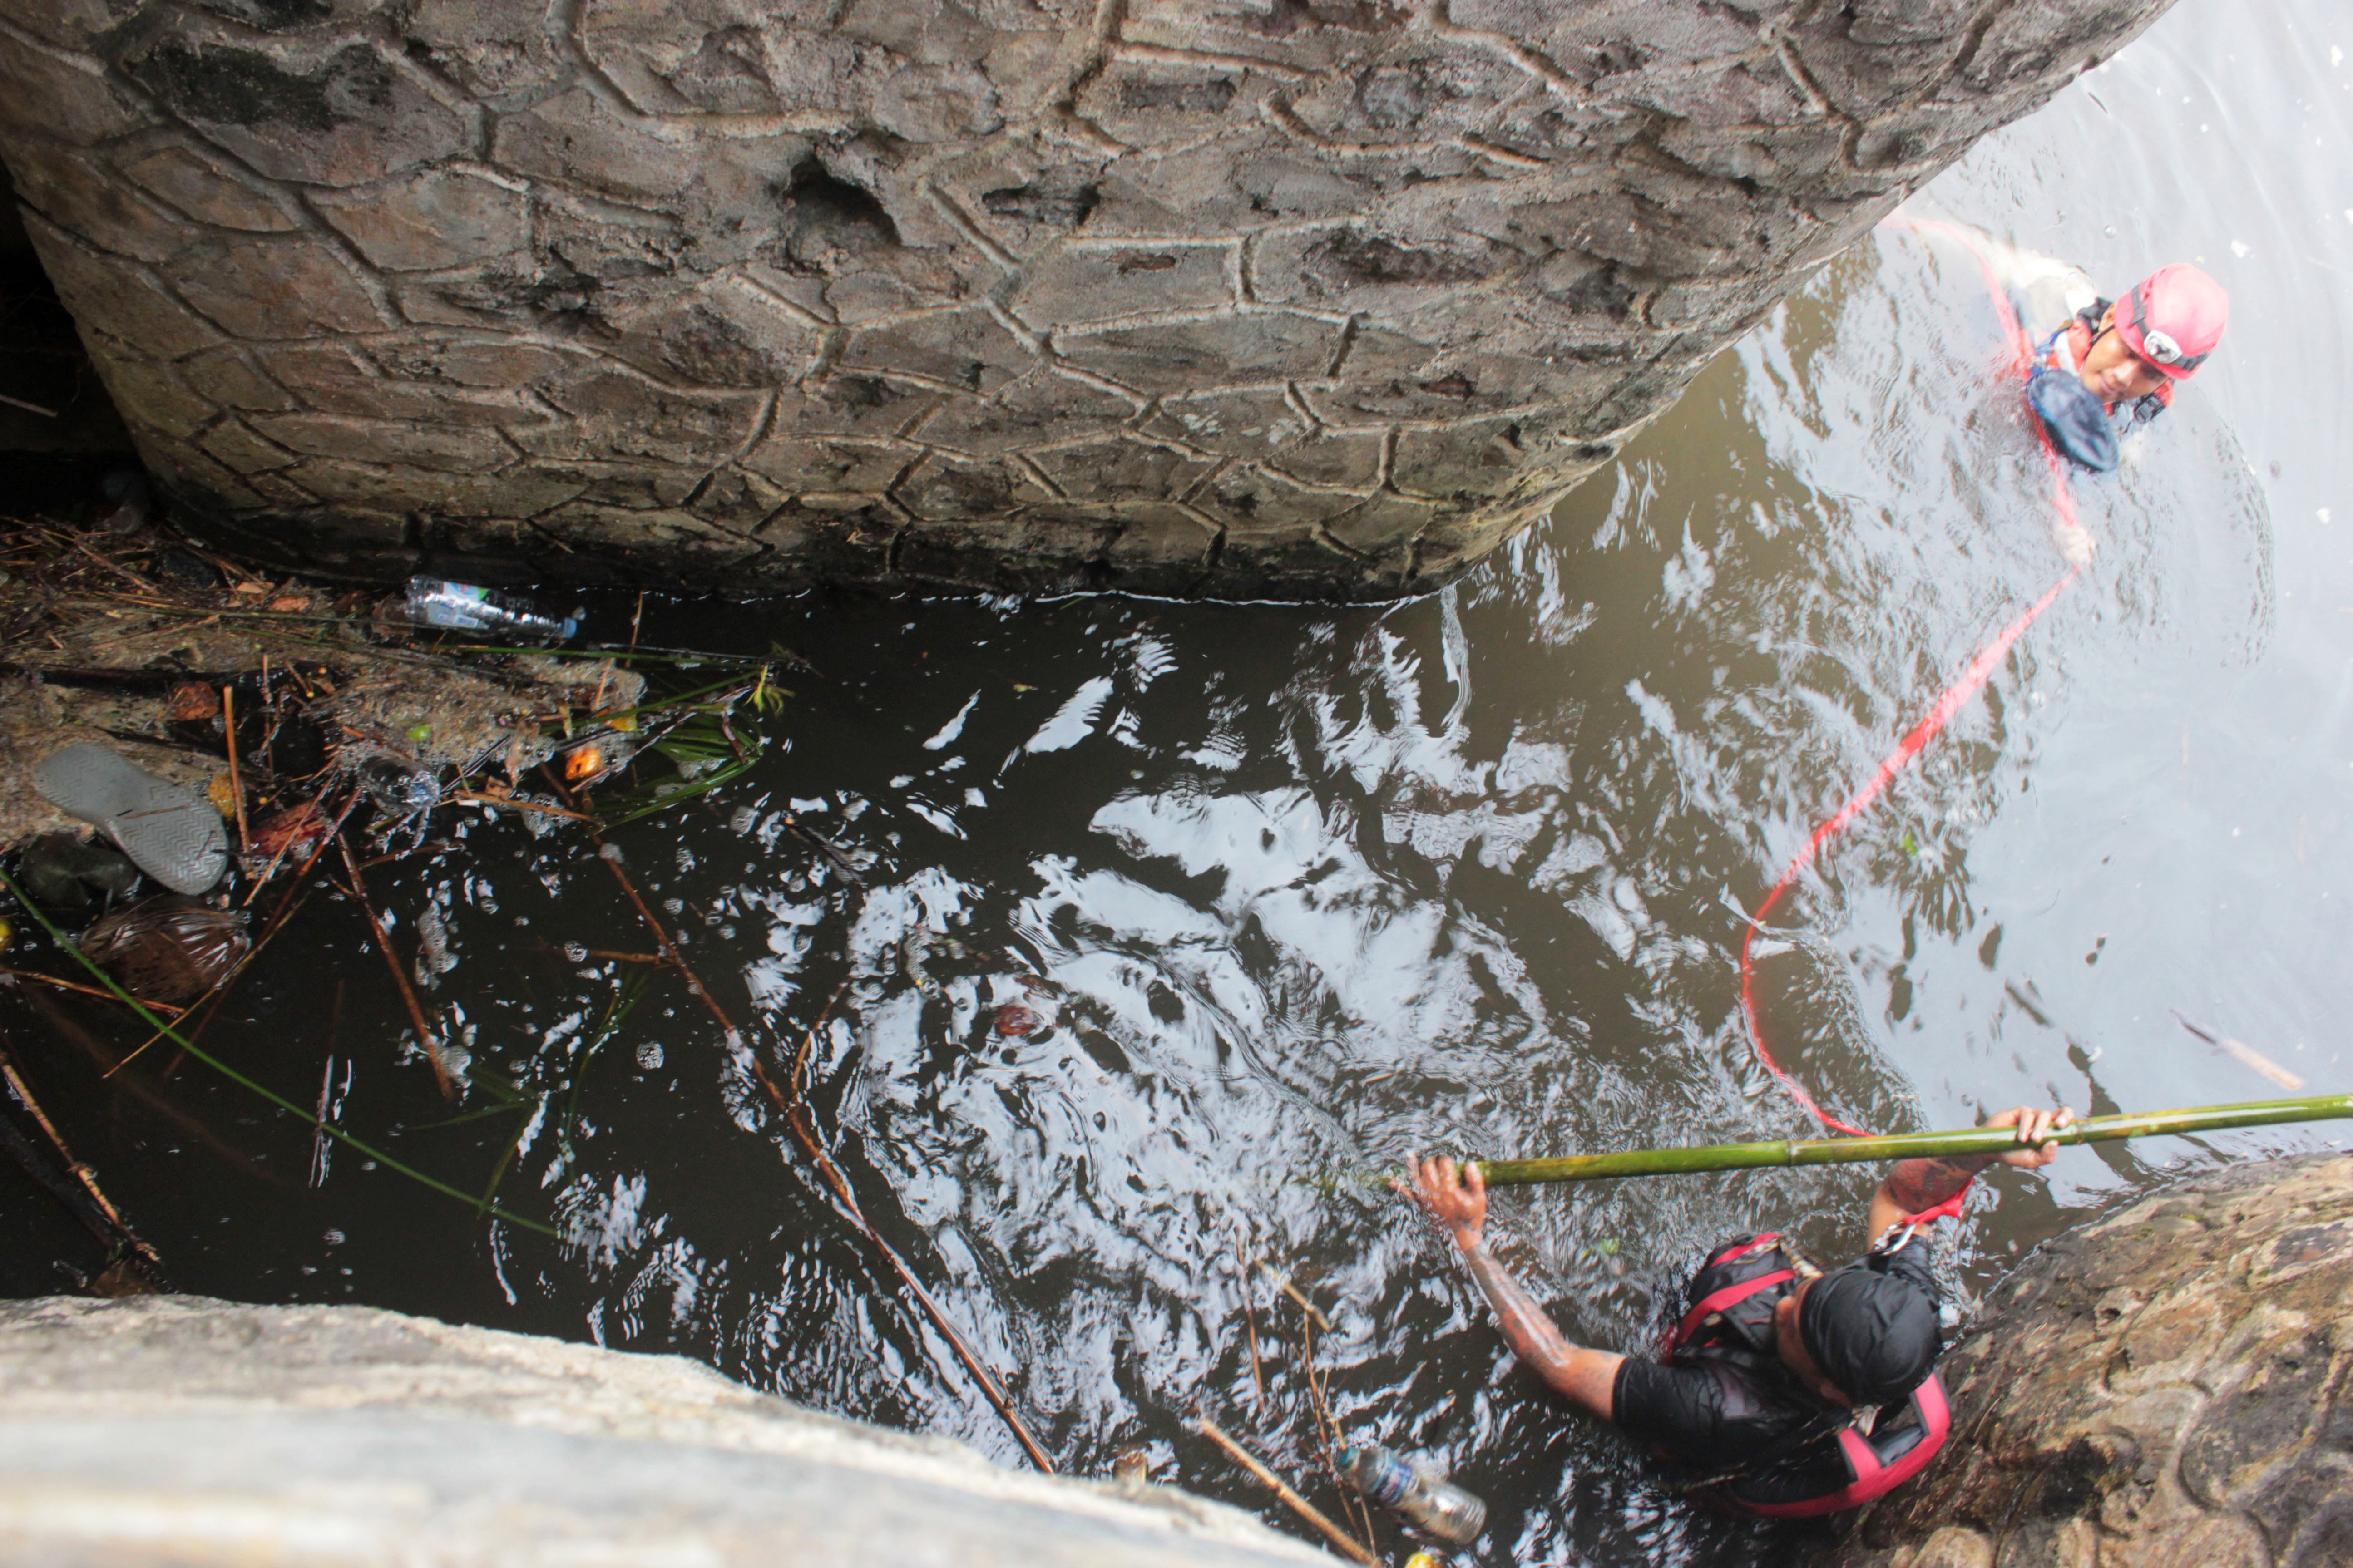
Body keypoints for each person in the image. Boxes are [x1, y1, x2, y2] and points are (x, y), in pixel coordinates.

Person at [1403, 1105, 2074, 1517]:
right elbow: (1903, 1198)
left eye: (1793, 1324)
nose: (1785, 1301)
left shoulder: (1719, 1408)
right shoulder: (1906, 1295)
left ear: (1829, 1388)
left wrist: (1466, 1239)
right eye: (1809, 1288)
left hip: (1704, 1454)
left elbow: (1556, 1362)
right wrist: (1986, 1148)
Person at [2033, 262, 2228, 430]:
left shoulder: (2137, 414)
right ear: (2109, 318)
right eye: (2128, 352)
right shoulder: (2058, 292)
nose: (2123, 378)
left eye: (2151, 375)